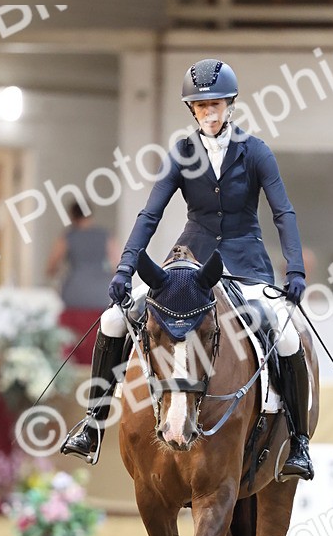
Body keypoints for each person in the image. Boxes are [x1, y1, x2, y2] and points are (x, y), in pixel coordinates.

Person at [61, 57, 314, 481]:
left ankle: (299, 442)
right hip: (190, 264)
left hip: (246, 264)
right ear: (192, 111)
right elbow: (150, 213)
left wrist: (296, 270)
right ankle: (93, 423)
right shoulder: (182, 152)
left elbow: (283, 213)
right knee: (112, 320)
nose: (208, 113)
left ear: (230, 105)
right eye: (200, 106)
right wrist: (125, 268)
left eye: (215, 104)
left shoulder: (255, 152)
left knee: (286, 334)